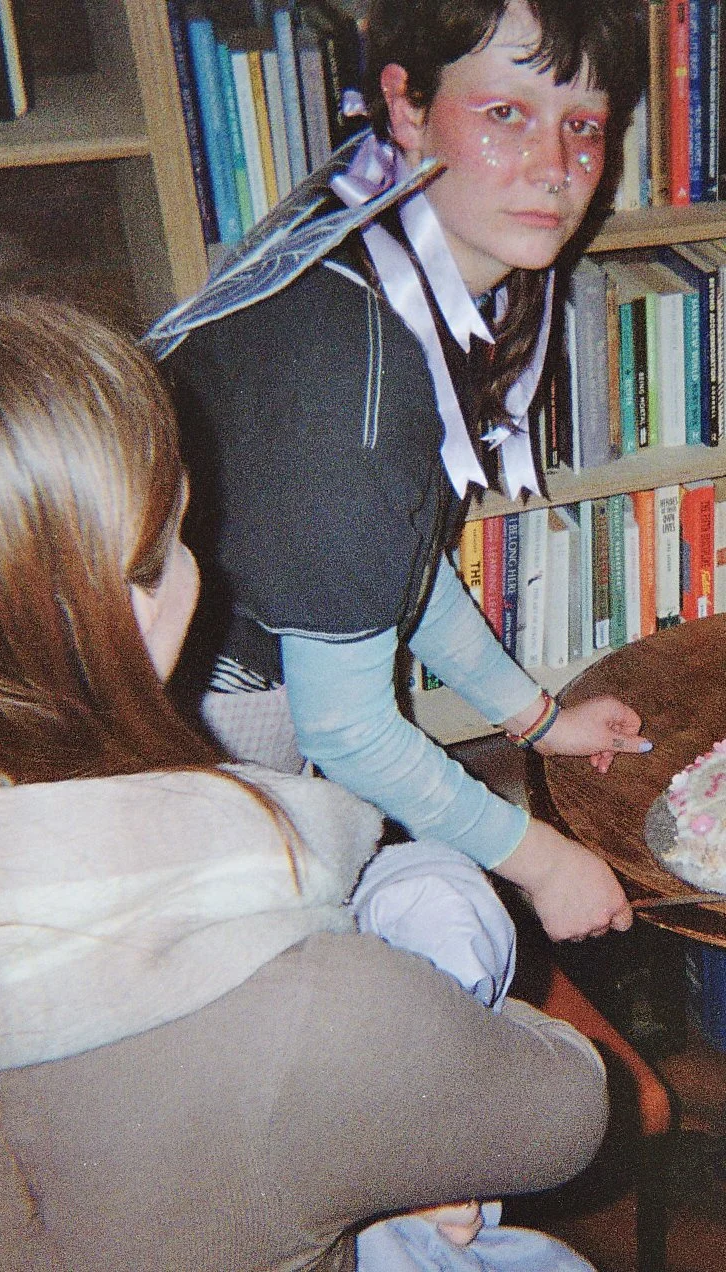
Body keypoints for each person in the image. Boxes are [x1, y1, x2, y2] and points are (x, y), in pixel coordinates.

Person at [0, 289, 611, 1270]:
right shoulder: (311, 1017)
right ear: (129, 607)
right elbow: (566, 1109)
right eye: (182, 534)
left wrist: (531, 715)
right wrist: (405, 1105)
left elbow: (399, 574)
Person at [152, 0, 652, 947]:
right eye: (506, 113)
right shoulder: (349, 368)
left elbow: (394, 563)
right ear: (408, 106)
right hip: (193, 727)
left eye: (583, 125)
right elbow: (342, 727)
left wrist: (536, 720)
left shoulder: (370, 218)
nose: (555, 167)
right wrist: (543, 862)